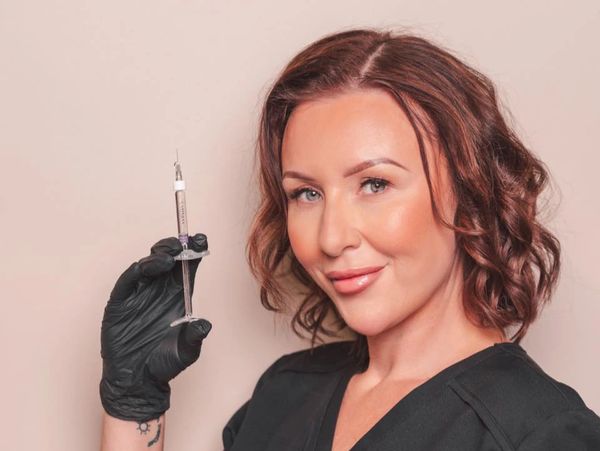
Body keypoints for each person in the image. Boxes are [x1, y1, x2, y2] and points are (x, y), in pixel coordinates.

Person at [99, 28, 600, 450]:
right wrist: (134, 406)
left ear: (470, 193)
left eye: (374, 184)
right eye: (307, 193)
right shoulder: (284, 394)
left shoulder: (540, 433)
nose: (331, 238)